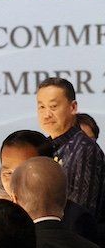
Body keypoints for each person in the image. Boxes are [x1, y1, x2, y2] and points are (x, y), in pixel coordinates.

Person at [0, 129, 96, 244]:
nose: (14, 181)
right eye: (8, 173)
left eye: (25, 171)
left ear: (48, 167)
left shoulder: (75, 219)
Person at [36, 77, 105, 229]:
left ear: (73, 107)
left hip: (74, 245)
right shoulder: (44, 147)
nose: (46, 114)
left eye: (53, 106)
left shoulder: (85, 148)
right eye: (41, 107)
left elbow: (81, 214)